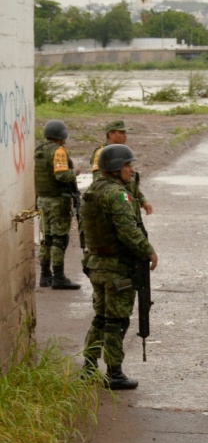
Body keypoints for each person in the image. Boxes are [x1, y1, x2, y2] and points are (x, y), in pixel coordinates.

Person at [80, 144, 159, 390]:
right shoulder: (118, 194)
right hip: (117, 268)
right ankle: (114, 373)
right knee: (117, 320)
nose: (131, 169)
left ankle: (89, 366)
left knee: (101, 319)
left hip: (96, 265)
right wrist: (148, 251)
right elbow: (128, 230)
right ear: (115, 169)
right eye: (127, 165)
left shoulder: (94, 190)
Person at [34, 119, 81, 289]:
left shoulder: (39, 150)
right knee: (59, 239)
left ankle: (45, 276)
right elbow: (61, 176)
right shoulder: (58, 151)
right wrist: (75, 171)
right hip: (57, 201)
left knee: (46, 239)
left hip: (42, 200)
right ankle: (59, 277)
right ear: (62, 137)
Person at [90, 120, 153, 215]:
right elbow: (99, 182)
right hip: (115, 205)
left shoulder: (121, 151)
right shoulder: (102, 153)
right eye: (121, 132)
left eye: (125, 133)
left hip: (125, 203)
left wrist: (142, 200)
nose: (125, 136)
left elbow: (130, 180)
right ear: (111, 134)